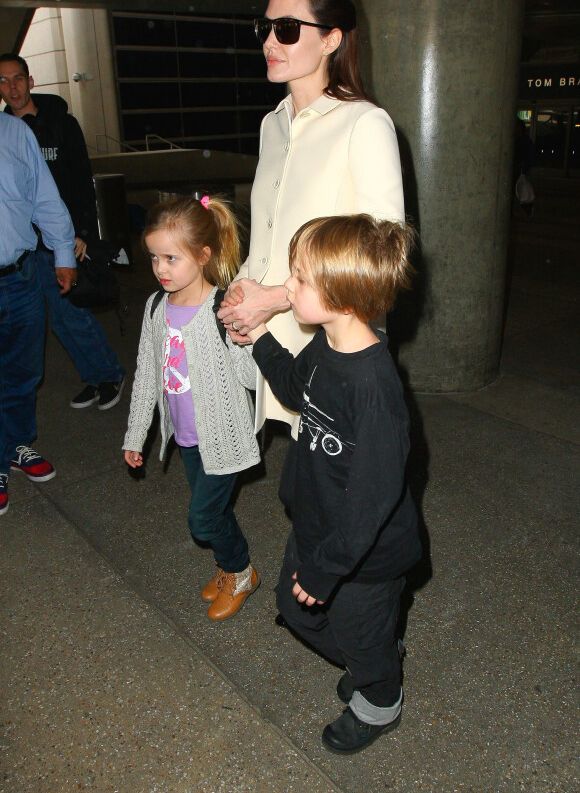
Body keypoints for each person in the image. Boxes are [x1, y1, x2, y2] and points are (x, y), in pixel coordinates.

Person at [246, 214, 422, 755]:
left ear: (343, 297)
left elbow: (371, 504)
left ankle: (380, 697)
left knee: (359, 635)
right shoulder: (326, 343)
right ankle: (375, 650)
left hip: (364, 556)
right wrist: (257, 338)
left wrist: (327, 569)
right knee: (295, 608)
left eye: (299, 281)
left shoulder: (374, 390)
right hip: (317, 523)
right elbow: (298, 389)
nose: (288, 289)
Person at [218, 0, 405, 434]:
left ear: (331, 40)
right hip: (271, 335)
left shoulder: (365, 124)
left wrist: (276, 298)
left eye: (286, 29)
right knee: (301, 486)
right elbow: (269, 230)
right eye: (265, 28)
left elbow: (379, 257)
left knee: (333, 490)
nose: (269, 42)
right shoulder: (272, 124)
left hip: (333, 341)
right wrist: (240, 291)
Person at [122, 195, 261, 620]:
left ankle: (240, 572)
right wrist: (135, 435)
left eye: (171, 258)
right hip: (185, 437)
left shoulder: (222, 309)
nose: (160, 269)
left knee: (203, 519)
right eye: (153, 258)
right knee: (213, 511)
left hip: (223, 435)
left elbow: (254, 380)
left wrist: (243, 338)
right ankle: (228, 567)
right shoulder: (155, 309)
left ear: (203, 256)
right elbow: (147, 374)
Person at [0, 53, 125, 410]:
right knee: (55, 320)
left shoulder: (61, 124)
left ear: (31, 81)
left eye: (18, 78)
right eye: (4, 81)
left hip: (63, 241)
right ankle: (92, 375)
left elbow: (81, 182)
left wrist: (80, 232)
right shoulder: (5, 133)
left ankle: (109, 373)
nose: (13, 87)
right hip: (25, 248)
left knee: (72, 312)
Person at [0, 110, 77, 514]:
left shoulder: (14, 132)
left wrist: (63, 252)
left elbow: (43, 197)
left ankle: (15, 445)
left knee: (23, 372)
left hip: (20, 276)